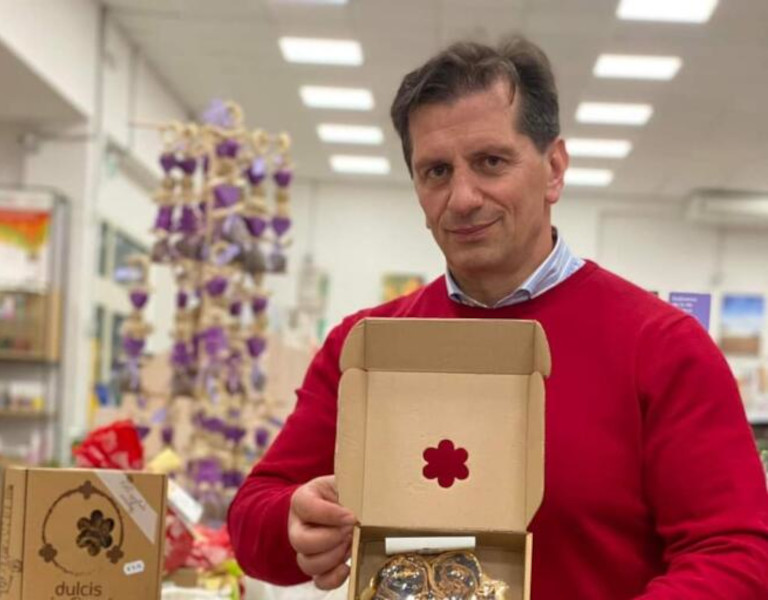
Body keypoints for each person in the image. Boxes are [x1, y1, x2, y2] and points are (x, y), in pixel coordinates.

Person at [228, 36, 768, 599]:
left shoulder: (662, 346)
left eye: (491, 162)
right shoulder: (365, 348)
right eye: (436, 171)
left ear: (553, 169)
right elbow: (252, 521)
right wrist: (294, 521)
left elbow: (737, 555)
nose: (463, 197)